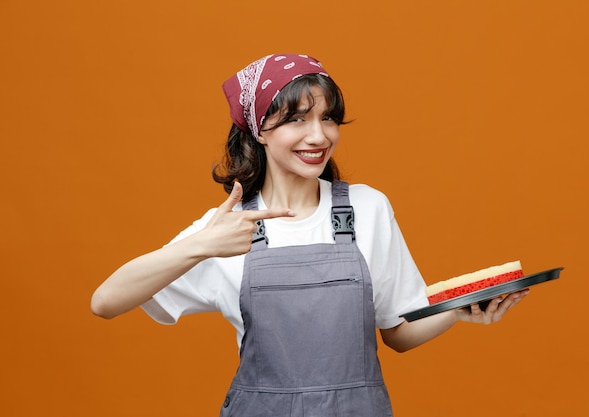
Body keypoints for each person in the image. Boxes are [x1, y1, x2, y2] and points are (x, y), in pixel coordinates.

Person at [91, 53, 529, 416]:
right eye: (296, 120)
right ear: (259, 129)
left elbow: (398, 331)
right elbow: (106, 302)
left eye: (329, 118)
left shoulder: (367, 208)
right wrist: (203, 243)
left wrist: (457, 310)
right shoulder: (229, 227)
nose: (319, 136)